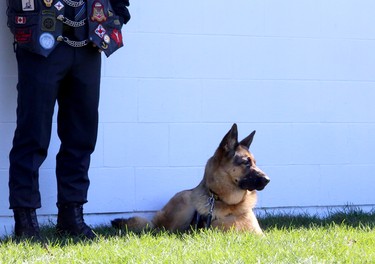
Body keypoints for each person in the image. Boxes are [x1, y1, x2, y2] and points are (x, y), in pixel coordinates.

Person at [6, 0, 130, 239]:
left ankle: (72, 217)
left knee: (81, 135)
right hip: (40, 40)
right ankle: (25, 223)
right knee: (32, 134)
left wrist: (118, 14)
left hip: (89, 42)